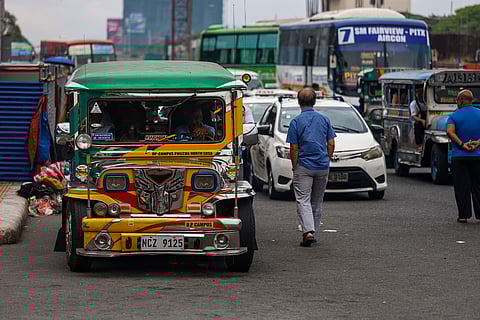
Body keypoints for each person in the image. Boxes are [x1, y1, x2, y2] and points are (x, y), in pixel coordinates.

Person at [286, 87, 336, 247]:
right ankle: (312, 230)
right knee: (317, 201)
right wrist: (326, 158)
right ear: (314, 101)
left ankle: (307, 231)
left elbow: (293, 148)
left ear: (299, 102)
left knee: (303, 199)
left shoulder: (295, 122)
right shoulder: (324, 119)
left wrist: (295, 166)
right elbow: (331, 143)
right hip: (322, 165)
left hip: (304, 166)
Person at [446, 89, 480, 223]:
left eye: (457, 100)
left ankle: (463, 215)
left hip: (459, 156)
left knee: (461, 187)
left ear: (460, 101)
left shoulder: (453, 116)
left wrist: (461, 145)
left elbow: (450, 132)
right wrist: (477, 143)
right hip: (478, 156)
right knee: (478, 186)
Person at [410, 87, 427, 152]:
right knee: (417, 125)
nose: (421, 95)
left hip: (428, 120)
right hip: (418, 121)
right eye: (419, 93)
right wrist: (421, 120)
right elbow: (413, 116)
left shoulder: (428, 102)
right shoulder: (413, 104)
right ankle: (419, 145)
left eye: (422, 93)